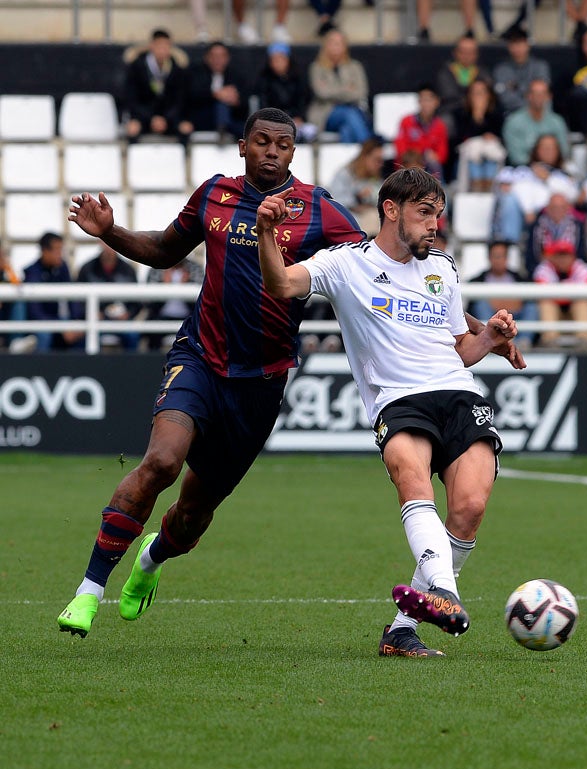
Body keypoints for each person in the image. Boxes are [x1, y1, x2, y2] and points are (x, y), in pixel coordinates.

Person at [53, 108, 368, 640]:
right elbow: (163, 249)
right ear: (243, 147)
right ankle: (88, 592)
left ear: (294, 152)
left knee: (193, 514)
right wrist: (111, 232)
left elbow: (375, 268)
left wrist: (460, 324)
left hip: (261, 383)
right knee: (161, 461)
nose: (272, 152)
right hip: (200, 354)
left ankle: (150, 561)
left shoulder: (317, 209)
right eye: (262, 142)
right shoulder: (214, 194)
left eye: (283, 145)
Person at [256, 167, 524, 657]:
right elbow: (280, 285)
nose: (434, 225)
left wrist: (488, 337)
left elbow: (458, 347)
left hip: (458, 392)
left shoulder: (443, 268)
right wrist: (266, 234)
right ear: (391, 209)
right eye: (425, 214)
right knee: (412, 478)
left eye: (438, 216)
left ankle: (403, 629)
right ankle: (445, 592)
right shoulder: (345, 264)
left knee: (470, 507)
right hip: (397, 399)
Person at [122, 29, 194, 143]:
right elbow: (132, 99)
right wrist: (151, 118)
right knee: (132, 128)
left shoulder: (176, 69)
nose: (163, 50)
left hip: (168, 118)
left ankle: (183, 159)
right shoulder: (137, 67)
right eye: (160, 46)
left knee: (186, 127)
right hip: (144, 117)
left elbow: (180, 99)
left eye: (167, 46)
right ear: (152, 46)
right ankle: (133, 159)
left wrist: (165, 118)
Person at [307, 28, 372, 143]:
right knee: (349, 114)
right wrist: (347, 89)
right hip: (326, 114)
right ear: (325, 45)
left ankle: (352, 159)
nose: (336, 46)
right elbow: (321, 93)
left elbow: (361, 92)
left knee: (347, 130)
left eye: (339, 43)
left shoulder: (355, 66)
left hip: (353, 110)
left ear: (345, 46)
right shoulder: (317, 67)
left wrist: (333, 90)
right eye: (332, 42)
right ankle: (368, 148)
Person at [75, 242, 142, 352]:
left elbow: (137, 302)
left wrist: (128, 314)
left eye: (112, 241)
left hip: (122, 322)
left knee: (132, 335)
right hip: (96, 320)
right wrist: (90, 314)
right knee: (81, 337)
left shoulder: (128, 270)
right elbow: (77, 300)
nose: (109, 246)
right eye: (106, 241)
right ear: (100, 242)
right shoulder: (87, 269)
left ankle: (131, 368)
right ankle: (85, 367)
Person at [467, 240, 536, 345]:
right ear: (489, 257)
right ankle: (491, 340)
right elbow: (475, 307)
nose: (498, 260)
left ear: (507, 258)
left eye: (501, 256)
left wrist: (497, 303)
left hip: (514, 317)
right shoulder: (476, 281)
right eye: (495, 256)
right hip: (491, 318)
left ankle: (523, 342)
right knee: (481, 305)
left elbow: (523, 302)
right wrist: (508, 302)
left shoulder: (520, 278)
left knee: (532, 308)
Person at [533, 240, 587, 349]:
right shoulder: (544, 268)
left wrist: (559, 294)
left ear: (573, 257)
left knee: (584, 302)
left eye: (566, 255)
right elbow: (542, 291)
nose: (562, 259)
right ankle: (550, 341)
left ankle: (584, 340)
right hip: (556, 310)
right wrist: (570, 293)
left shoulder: (581, 268)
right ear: (552, 257)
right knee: (546, 303)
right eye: (559, 255)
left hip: (573, 309)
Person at [24, 232, 82, 352]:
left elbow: (72, 297)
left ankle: (79, 369)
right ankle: (39, 369)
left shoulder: (62, 268)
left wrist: (76, 321)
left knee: (82, 331)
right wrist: (60, 326)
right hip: (41, 322)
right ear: (45, 251)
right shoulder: (32, 272)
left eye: (61, 249)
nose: (60, 254)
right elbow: (34, 312)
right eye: (57, 250)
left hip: (61, 320)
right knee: (44, 335)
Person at [450, 77, 505, 192]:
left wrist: (491, 137)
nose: (479, 96)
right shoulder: (460, 114)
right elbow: (458, 140)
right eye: (475, 93)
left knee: (491, 151)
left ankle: (490, 187)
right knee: (474, 151)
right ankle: (477, 186)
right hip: (466, 161)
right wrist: (477, 116)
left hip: (491, 158)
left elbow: (502, 140)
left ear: (489, 95)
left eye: (482, 92)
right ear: (469, 96)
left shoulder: (497, 114)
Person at [253, 42, 314, 142]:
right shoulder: (264, 80)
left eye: (281, 58)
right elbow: (264, 104)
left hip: (296, 121)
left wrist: (300, 117)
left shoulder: (298, 78)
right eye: (275, 59)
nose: (278, 62)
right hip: (273, 123)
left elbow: (303, 100)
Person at [502, 79, 570, 167]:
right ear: (528, 96)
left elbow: (564, 150)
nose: (539, 97)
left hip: (554, 168)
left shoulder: (557, 121)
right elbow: (515, 155)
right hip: (522, 169)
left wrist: (549, 168)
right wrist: (534, 167)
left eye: (543, 93)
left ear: (549, 96)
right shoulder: (513, 121)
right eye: (535, 93)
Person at [187, 41, 248, 139]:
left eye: (221, 56)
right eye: (214, 56)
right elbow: (192, 96)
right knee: (220, 104)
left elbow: (245, 101)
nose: (218, 60)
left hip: (231, 117)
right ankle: (223, 127)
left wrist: (235, 100)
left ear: (227, 58)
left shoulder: (236, 76)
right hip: (203, 118)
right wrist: (216, 95)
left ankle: (224, 127)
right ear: (206, 58)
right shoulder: (196, 74)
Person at [328, 137, 385, 236]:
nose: (380, 164)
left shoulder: (376, 178)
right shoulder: (345, 174)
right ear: (365, 157)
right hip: (348, 223)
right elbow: (335, 203)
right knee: (372, 216)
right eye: (377, 160)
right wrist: (357, 198)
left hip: (369, 221)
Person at [395, 84, 449, 181]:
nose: (426, 104)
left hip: (429, 167)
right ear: (418, 101)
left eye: (429, 100)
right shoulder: (406, 121)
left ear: (436, 102)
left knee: (435, 165)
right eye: (423, 99)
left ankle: (438, 193)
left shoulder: (440, 126)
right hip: (409, 165)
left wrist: (432, 156)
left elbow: (442, 154)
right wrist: (416, 156)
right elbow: (400, 148)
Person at [492, 26, 552, 115]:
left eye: (520, 43)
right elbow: (505, 98)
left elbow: (542, 95)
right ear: (509, 46)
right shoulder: (501, 69)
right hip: (511, 115)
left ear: (527, 45)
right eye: (513, 43)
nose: (517, 48)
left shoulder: (540, 66)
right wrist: (529, 94)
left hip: (539, 114)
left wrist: (516, 87)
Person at [435, 36, 491, 122]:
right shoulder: (446, 72)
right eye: (463, 51)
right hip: (453, 112)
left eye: (471, 52)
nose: (467, 56)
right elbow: (448, 96)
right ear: (455, 52)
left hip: (479, 110)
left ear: (476, 54)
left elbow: (488, 95)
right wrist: (471, 101)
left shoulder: (483, 73)